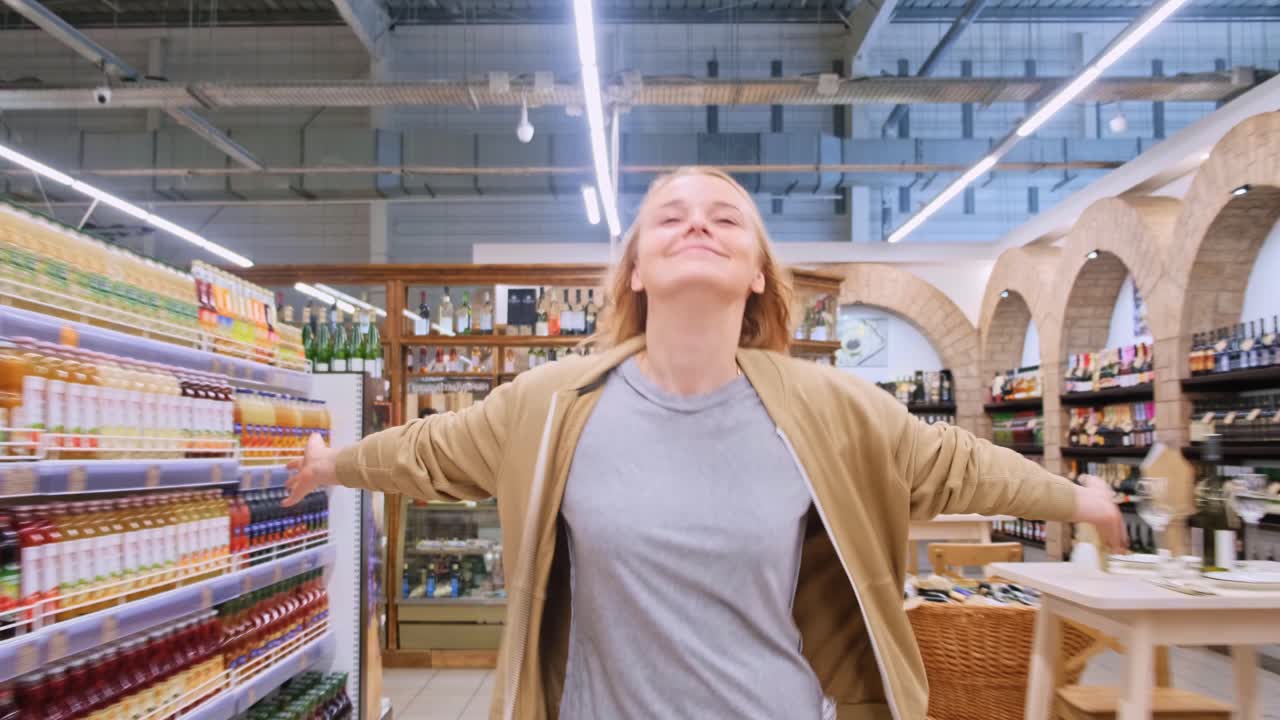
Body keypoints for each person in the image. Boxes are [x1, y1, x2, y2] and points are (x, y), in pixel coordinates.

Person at [285, 166, 1124, 720]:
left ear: (758, 269)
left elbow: (956, 463)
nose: (699, 226)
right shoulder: (551, 405)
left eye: (727, 218)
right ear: (636, 272)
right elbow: (431, 452)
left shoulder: (831, 408)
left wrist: (1079, 497)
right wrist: (331, 462)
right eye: (670, 218)